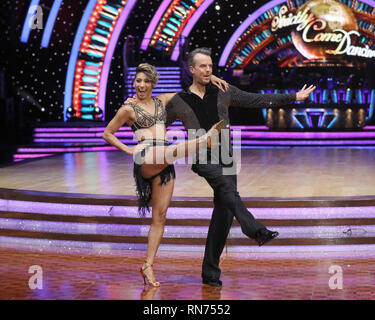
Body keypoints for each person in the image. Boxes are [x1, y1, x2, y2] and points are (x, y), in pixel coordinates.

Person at [163, 47, 316, 287]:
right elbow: (156, 123)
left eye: (210, 66)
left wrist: (293, 97)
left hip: (227, 156)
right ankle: (254, 229)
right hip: (202, 157)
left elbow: (256, 100)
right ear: (191, 69)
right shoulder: (179, 101)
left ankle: (210, 272)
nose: (208, 70)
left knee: (223, 213)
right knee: (226, 190)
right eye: (202, 66)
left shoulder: (223, 90)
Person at [102, 63, 227, 287]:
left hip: (165, 163)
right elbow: (107, 133)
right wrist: (129, 149)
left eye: (145, 81)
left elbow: (193, 89)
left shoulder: (162, 101)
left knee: (160, 217)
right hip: (146, 156)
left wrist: (212, 76)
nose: (141, 85)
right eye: (138, 81)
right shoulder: (128, 109)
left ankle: (147, 266)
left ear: (153, 83)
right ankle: (203, 140)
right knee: (168, 152)